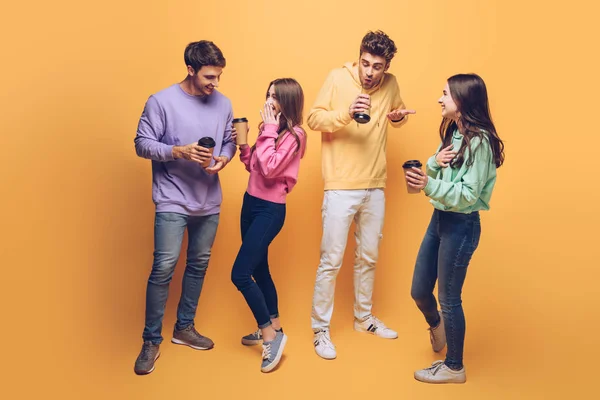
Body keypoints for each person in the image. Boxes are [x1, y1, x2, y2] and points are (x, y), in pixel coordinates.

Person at [307, 30, 415, 360]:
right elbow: (313, 119)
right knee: (332, 259)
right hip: (340, 185)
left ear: (386, 67)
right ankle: (320, 329)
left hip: (375, 184)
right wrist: (346, 113)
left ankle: (363, 318)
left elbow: (395, 114)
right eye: (365, 64)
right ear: (359, 57)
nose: (370, 72)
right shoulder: (337, 78)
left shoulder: (391, 84)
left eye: (377, 66)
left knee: (368, 256)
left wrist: (396, 118)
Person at [133, 40, 237, 375]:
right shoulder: (161, 102)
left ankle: (184, 328)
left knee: (198, 264)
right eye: (209, 76)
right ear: (190, 69)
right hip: (172, 197)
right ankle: (151, 340)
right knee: (163, 267)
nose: (215, 84)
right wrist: (179, 151)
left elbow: (229, 140)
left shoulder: (223, 103)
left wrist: (225, 157)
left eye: (219, 76)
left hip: (209, 199)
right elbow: (141, 143)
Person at [405, 73, 505, 383]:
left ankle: (454, 366)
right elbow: (438, 166)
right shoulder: (455, 133)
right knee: (420, 290)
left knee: (449, 298)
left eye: (445, 94)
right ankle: (437, 327)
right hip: (439, 219)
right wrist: (433, 162)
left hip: (461, 226)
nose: (440, 99)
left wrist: (428, 183)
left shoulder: (482, 142)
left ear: (461, 100)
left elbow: (468, 196)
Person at [231, 78, 307, 373]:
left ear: (287, 102)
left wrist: (270, 130)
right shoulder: (268, 129)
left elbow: (273, 166)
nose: (268, 100)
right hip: (250, 202)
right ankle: (275, 323)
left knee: (240, 274)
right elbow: (256, 167)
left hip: (270, 210)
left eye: (275, 96)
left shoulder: (296, 135)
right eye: (267, 94)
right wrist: (244, 144)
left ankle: (269, 335)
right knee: (259, 269)